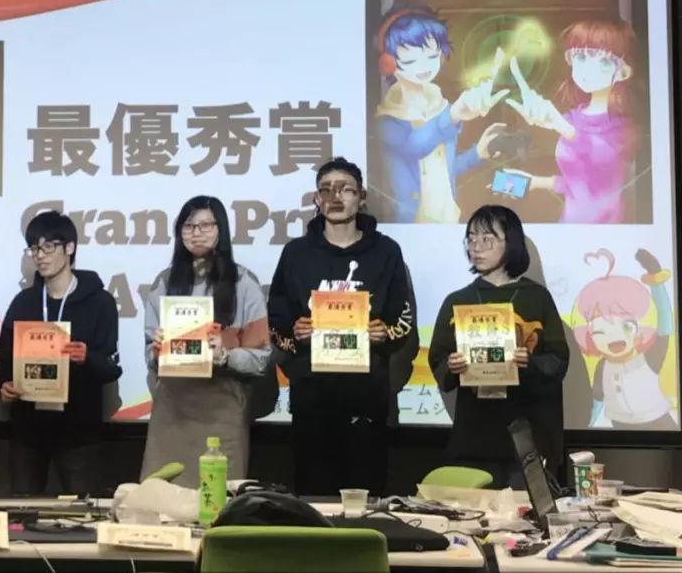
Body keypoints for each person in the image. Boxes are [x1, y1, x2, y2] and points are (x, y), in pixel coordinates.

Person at [268, 158, 411, 496]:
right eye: (326, 190)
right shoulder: (296, 253)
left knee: (365, 498)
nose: (335, 197)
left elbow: (403, 318)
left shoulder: (386, 252)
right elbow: (276, 318)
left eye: (345, 189)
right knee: (313, 497)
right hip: (311, 394)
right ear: (316, 199)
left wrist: (384, 333)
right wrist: (295, 333)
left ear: (362, 197)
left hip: (367, 395)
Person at [428, 205, 568, 487]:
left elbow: (558, 360)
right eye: (471, 238)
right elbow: (439, 361)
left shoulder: (536, 297)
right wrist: (452, 366)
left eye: (487, 239)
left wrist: (529, 363)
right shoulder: (458, 300)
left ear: (511, 242)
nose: (476, 247)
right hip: (475, 434)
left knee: (525, 509)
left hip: (528, 434)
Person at [141, 196, 271, 488]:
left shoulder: (244, 283)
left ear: (220, 230)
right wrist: (157, 350)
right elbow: (149, 353)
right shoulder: (164, 282)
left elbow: (262, 358)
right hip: (172, 411)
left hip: (221, 411)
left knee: (218, 501)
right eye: (188, 226)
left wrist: (225, 355)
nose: (196, 233)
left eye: (205, 225)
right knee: (161, 499)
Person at [0, 211, 122, 495]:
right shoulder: (24, 302)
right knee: (23, 510)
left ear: (70, 247)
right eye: (34, 248)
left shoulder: (100, 302)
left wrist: (87, 356)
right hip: (28, 431)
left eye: (48, 246)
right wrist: (2, 386)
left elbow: (111, 367)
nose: (40, 256)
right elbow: (2, 363)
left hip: (79, 432)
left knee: (83, 513)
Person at [375, 5, 507, 223]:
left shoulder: (440, 107)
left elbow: (445, 169)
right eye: (410, 61)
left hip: (448, 218)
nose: (424, 67)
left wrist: (478, 153)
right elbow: (414, 147)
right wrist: (453, 115)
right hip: (409, 226)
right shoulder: (386, 121)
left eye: (431, 56)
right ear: (388, 63)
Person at [506, 19, 637, 223]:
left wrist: (564, 128)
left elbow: (604, 170)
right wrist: (533, 182)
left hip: (606, 233)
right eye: (581, 57)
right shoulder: (572, 118)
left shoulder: (624, 126)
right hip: (568, 225)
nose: (588, 70)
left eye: (603, 62)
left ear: (623, 72)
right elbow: (579, 183)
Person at [574, 248, 676, 429]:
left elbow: (665, 324)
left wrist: (655, 279)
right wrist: (583, 428)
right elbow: (597, 400)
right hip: (621, 431)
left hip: (660, 429)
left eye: (626, 326)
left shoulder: (649, 357)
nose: (614, 337)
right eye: (600, 331)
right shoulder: (602, 367)